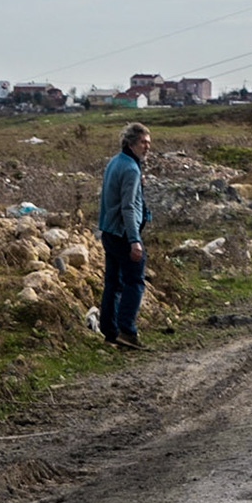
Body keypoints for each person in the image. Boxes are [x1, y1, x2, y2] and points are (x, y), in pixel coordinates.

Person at [97, 121, 153, 348]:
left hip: (109, 230)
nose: (147, 147)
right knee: (134, 281)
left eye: (148, 142)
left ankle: (109, 330)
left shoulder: (115, 161)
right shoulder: (130, 168)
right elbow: (128, 207)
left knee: (113, 283)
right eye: (143, 142)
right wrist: (134, 240)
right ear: (131, 143)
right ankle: (127, 331)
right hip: (122, 233)